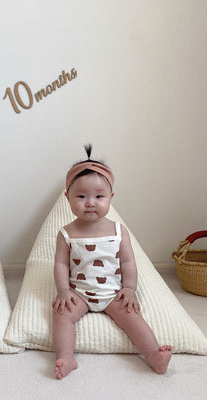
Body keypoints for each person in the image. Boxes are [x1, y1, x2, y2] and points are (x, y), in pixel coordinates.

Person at [52, 144, 171, 379]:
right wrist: (64, 291)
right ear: (67, 197)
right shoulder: (66, 233)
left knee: (133, 318)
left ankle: (154, 355)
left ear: (111, 198)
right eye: (81, 196)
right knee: (62, 315)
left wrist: (129, 289)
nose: (90, 202)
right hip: (80, 293)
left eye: (99, 196)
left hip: (113, 292)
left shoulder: (118, 230)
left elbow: (128, 263)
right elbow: (61, 265)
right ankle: (66, 358)